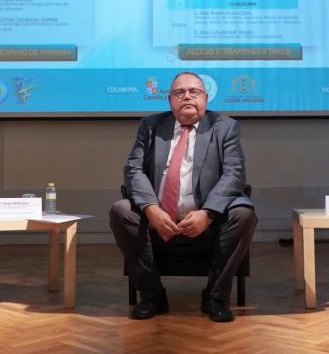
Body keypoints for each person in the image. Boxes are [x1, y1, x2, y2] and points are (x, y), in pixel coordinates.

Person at [110, 72, 257, 322]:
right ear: (170, 100)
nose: (187, 97)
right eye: (179, 93)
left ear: (206, 98)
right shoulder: (150, 125)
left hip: (208, 220)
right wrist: (151, 209)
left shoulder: (225, 126)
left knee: (243, 213)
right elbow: (133, 169)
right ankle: (153, 295)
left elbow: (235, 173)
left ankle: (215, 297)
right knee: (121, 210)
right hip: (157, 217)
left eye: (194, 92)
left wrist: (208, 213)